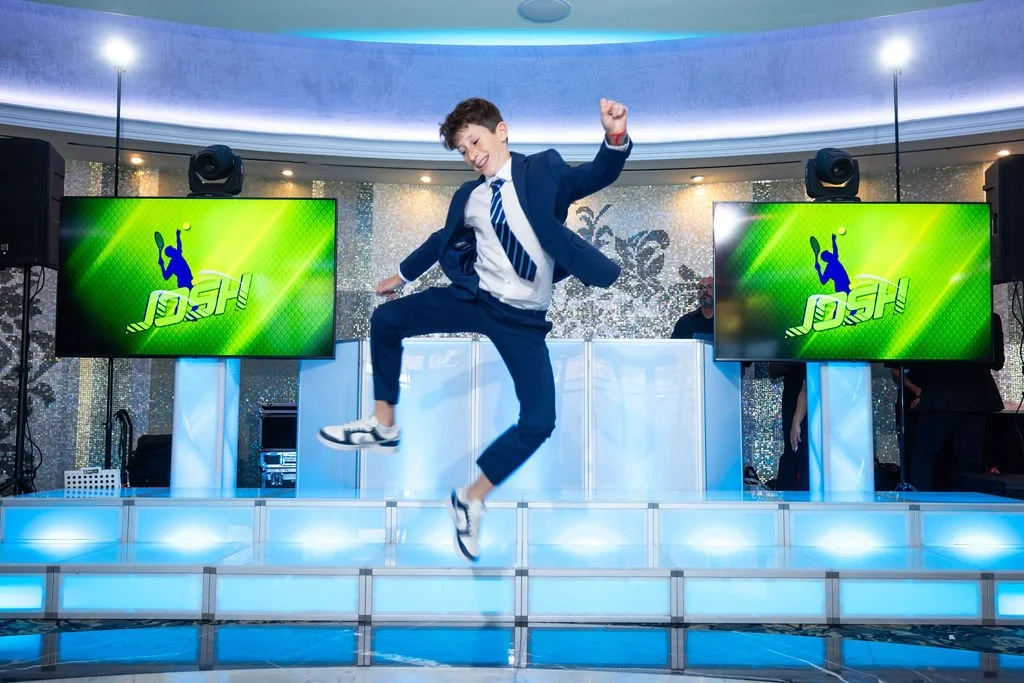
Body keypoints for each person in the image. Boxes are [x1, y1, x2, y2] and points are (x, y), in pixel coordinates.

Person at [319, 97, 631, 561]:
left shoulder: (543, 170)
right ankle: (383, 425)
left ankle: (472, 497)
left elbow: (595, 175)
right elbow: (438, 241)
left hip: (522, 320)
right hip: (476, 299)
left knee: (539, 420)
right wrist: (402, 276)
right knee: (386, 319)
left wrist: (615, 137)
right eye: (463, 150)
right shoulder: (470, 196)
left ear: (500, 131)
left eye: (475, 141)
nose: (471, 154)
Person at [904, 313, 1005, 491]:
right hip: (977, 398)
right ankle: (973, 510)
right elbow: (997, 362)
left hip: (939, 398)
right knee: (970, 461)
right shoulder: (989, 318)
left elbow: (914, 363)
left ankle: (921, 507)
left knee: (924, 457)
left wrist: (922, 392)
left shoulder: (933, 315)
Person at [768, 362, 809, 491]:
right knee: (792, 451)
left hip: (804, 406)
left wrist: (796, 421)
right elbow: (773, 370)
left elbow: (806, 389)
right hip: (793, 399)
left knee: (801, 453)